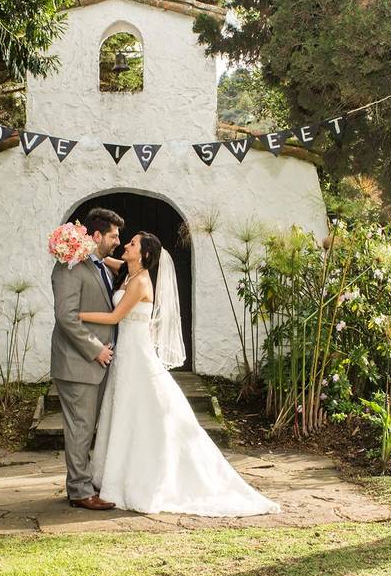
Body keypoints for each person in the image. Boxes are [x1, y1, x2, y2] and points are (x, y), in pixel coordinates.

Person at [80, 232, 280, 516]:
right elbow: (100, 259)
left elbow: (114, 317)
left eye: (133, 244)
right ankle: (117, 474)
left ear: (145, 255)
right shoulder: (126, 272)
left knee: (146, 412)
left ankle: (150, 478)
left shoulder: (140, 282)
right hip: (124, 357)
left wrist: (77, 315)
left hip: (137, 355)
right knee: (125, 412)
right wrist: (82, 247)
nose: (126, 245)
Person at [50, 207, 123, 510]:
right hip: (79, 362)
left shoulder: (97, 265)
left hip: (96, 365)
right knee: (80, 428)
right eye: (114, 235)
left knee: (87, 426)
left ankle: (83, 482)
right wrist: (96, 349)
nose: (118, 240)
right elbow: (66, 318)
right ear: (96, 235)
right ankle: (80, 492)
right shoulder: (70, 267)